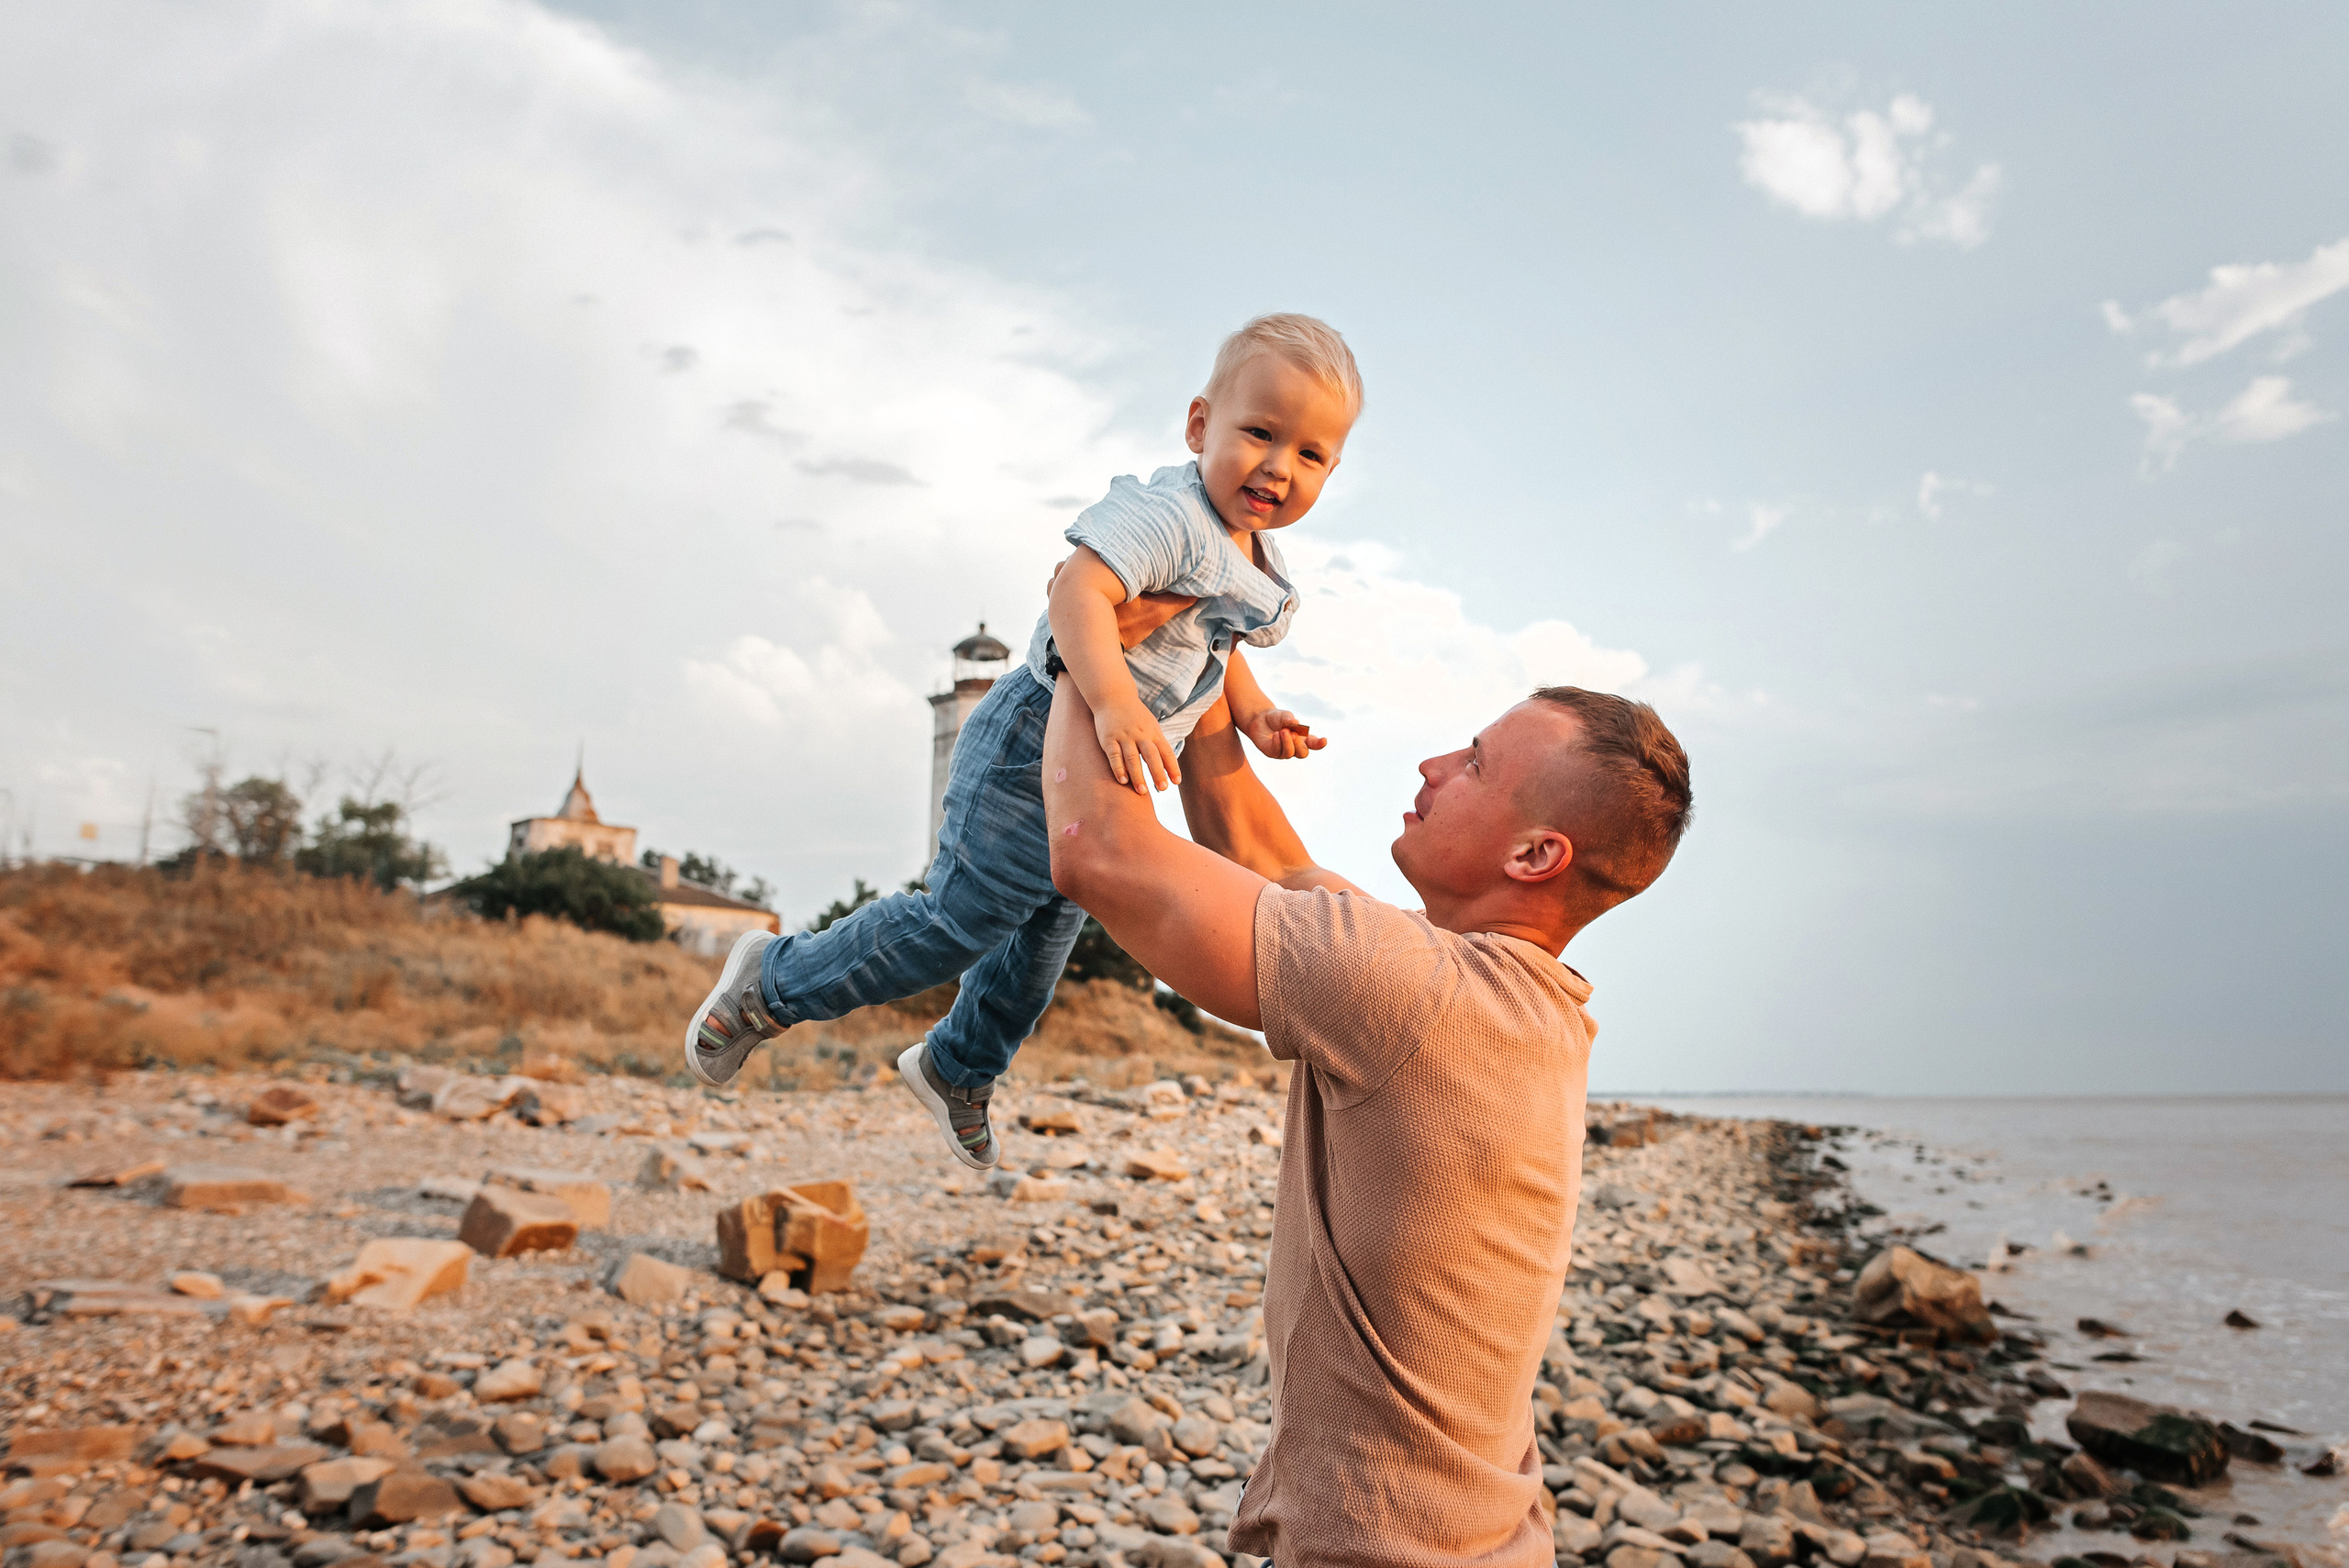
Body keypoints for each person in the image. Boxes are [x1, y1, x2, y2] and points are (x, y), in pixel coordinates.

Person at [682, 313, 1364, 1171]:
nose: (1278, 466)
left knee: (1037, 952)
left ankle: (957, 1066)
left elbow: (1213, 647)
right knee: (960, 918)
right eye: (1260, 433)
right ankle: (773, 981)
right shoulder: (1172, 515)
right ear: (1200, 426)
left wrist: (1257, 715)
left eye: (1310, 454)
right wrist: (1114, 699)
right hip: (1032, 737)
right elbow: (1079, 592)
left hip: (1107, 772)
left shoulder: (1256, 561)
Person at [1042, 672, 1692, 1564]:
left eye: (1471, 763)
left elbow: (1095, 849)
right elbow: (1252, 844)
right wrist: (1210, 648)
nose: (1428, 766)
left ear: (1536, 855)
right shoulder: (1504, 1000)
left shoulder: (1416, 991)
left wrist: (1094, 646)